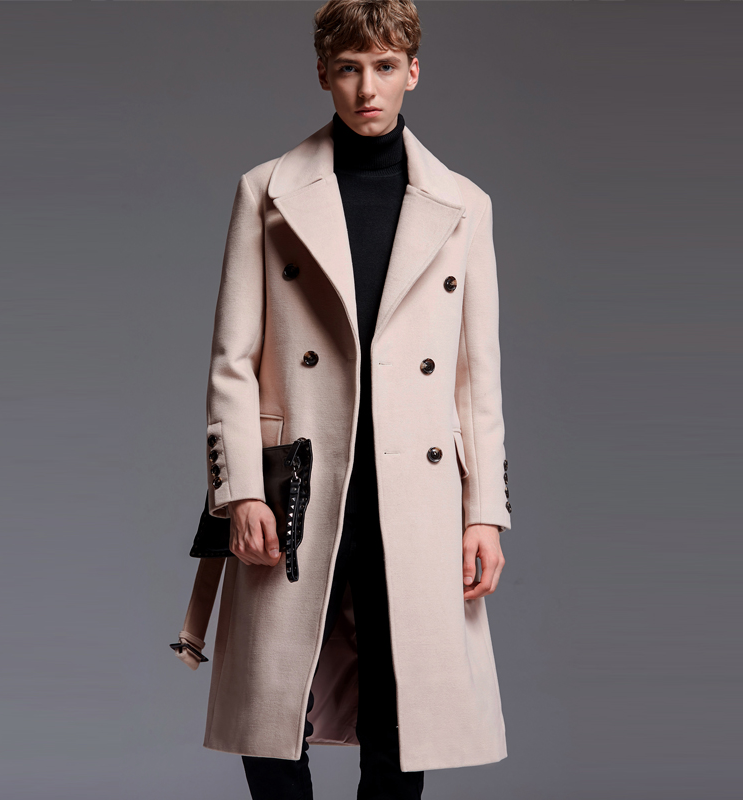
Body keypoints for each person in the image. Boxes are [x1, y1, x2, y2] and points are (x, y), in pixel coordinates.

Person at [172, 1, 513, 797]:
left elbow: (476, 377)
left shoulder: (465, 205)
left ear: (412, 72)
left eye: (385, 67)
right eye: (351, 68)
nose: (368, 88)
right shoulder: (267, 192)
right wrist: (240, 492)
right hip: (297, 490)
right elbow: (232, 362)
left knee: (404, 717)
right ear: (323, 73)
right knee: (272, 709)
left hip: (416, 492)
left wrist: (484, 512)